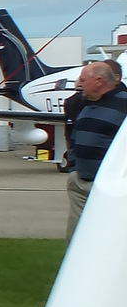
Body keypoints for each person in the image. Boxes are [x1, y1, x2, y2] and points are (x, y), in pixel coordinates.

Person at [62, 61, 127, 239]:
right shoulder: (85, 104)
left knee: (106, 239)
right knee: (76, 240)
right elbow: (74, 137)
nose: (78, 84)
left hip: (107, 188)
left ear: (99, 81)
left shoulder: (124, 105)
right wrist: (74, 169)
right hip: (80, 184)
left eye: (83, 79)